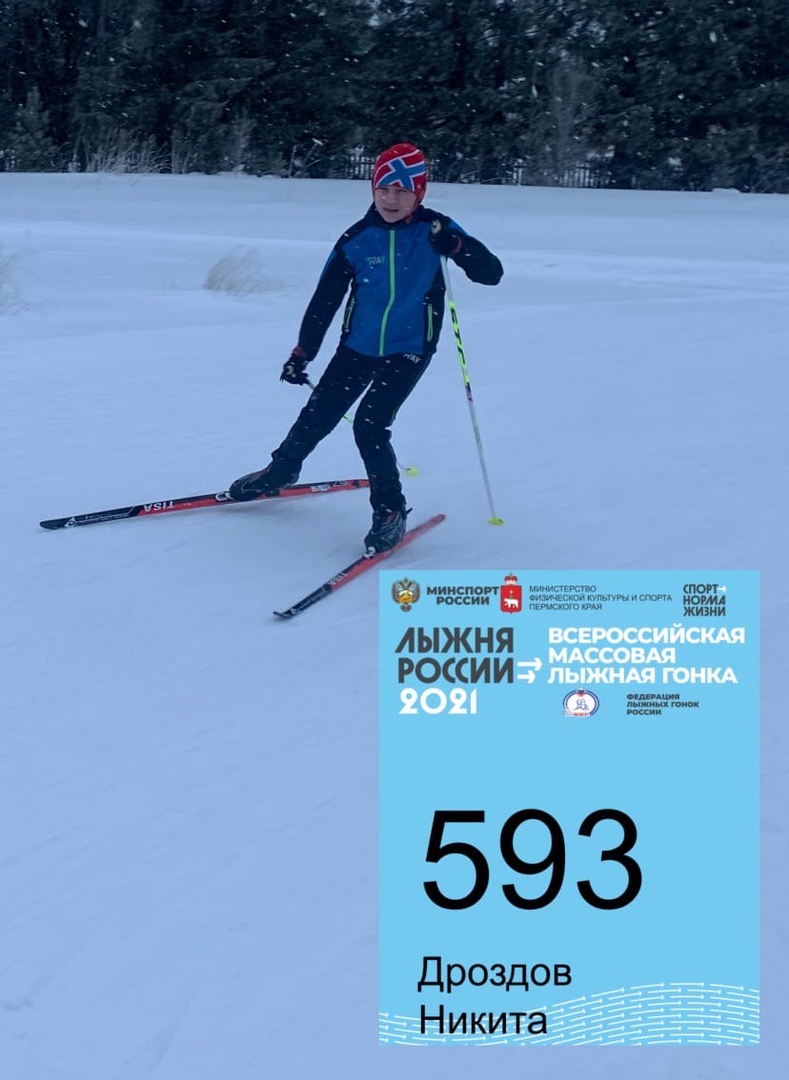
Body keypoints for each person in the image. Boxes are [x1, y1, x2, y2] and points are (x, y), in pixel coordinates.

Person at [228, 142, 503, 554]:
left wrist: (460, 248)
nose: (391, 199)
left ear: (419, 193)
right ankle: (280, 472)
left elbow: (491, 273)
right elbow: (325, 301)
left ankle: (390, 510)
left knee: (370, 425)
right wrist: (303, 353)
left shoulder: (436, 230)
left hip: (410, 348)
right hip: (357, 346)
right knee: (317, 413)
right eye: (383, 189)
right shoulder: (357, 239)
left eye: (402, 191)